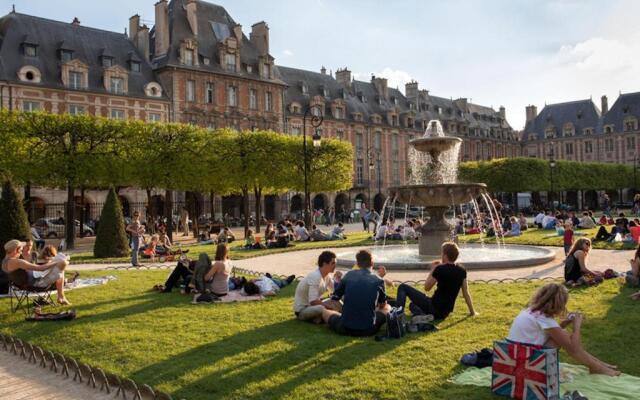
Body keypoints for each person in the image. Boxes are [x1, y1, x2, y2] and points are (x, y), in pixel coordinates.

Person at [507, 283, 620, 376]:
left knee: (561, 336)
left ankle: (597, 365)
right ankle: (597, 367)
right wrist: (577, 325)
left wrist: (565, 322)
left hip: (514, 359)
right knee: (567, 340)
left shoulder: (531, 311)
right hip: (526, 365)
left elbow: (550, 332)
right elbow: (574, 349)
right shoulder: (544, 319)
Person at [392, 242, 477, 320]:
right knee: (412, 305)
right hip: (444, 313)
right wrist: (472, 312)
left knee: (403, 287)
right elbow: (466, 293)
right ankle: (423, 315)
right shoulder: (462, 270)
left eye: (442, 253)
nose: (441, 255)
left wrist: (433, 269)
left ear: (445, 256)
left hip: (433, 306)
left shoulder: (440, 269)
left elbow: (427, 287)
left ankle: (397, 315)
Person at [321, 250, 389, 337]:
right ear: (372, 263)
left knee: (325, 312)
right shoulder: (379, 280)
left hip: (345, 327)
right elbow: (382, 305)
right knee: (388, 307)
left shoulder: (348, 275)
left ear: (357, 263)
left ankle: (344, 317)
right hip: (368, 329)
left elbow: (335, 297)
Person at [1, 239, 71, 305]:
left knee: (60, 265)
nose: (21, 252)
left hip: (26, 283)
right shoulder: (18, 262)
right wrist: (55, 262)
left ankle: (61, 297)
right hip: (36, 284)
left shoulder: (4, 262)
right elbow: (41, 268)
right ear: (16, 250)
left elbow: (21, 274)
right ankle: (61, 297)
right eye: (21, 250)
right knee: (63, 263)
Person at [293, 251, 338, 322]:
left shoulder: (327, 276)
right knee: (321, 308)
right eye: (333, 263)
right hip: (302, 310)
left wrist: (339, 280)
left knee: (336, 302)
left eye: (335, 263)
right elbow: (313, 301)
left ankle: (320, 318)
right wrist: (328, 306)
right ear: (324, 264)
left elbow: (336, 291)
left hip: (313, 307)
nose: (335, 266)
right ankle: (333, 318)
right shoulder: (315, 276)